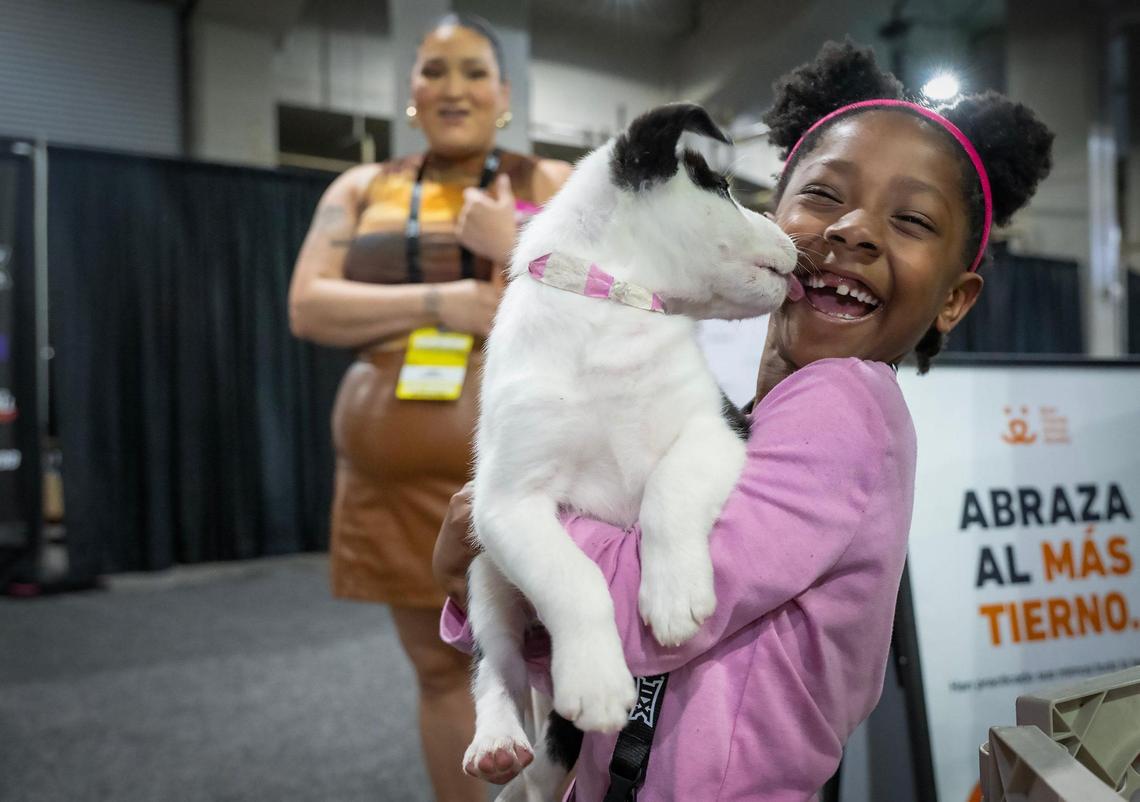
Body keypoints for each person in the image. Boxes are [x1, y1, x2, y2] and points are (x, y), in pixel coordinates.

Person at [432, 40, 1054, 801]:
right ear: (770, 217)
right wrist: (497, 592)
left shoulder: (845, 410)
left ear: (954, 300)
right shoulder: (762, 405)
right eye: (824, 196)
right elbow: (595, 650)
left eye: (912, 221)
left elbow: (661, 617)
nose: (855, 229)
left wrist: (513, 525)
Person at [288, 13, 571, 802]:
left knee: (563, 664)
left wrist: (511, 233)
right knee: (443, 672)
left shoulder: (551, 180)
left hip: (542, 474)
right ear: (411, 94)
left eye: (473, 72)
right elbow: (309, 306)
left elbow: (622, 287)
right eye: (435, 72)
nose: (453, 89)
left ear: (504, 94)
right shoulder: (359, 187)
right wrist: (445, 300)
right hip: (393, 483)